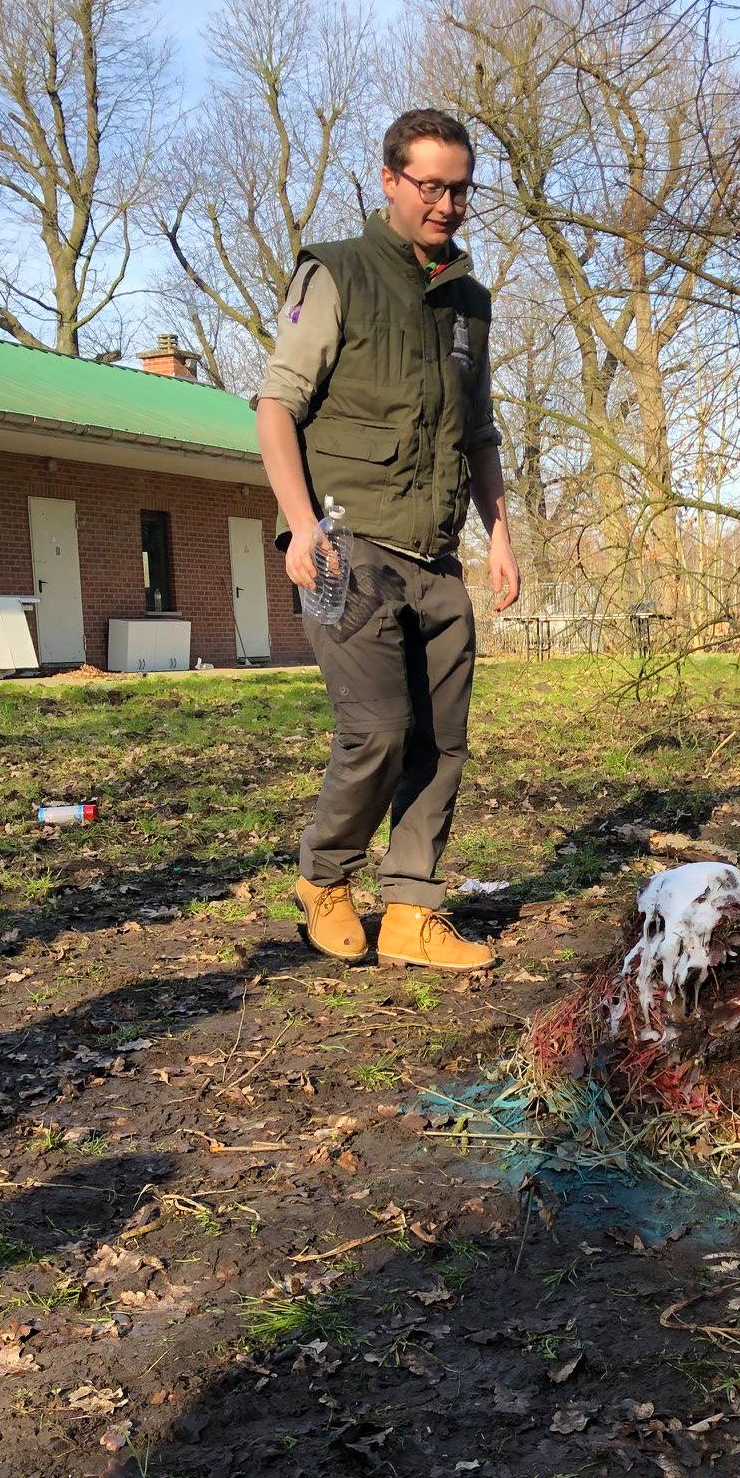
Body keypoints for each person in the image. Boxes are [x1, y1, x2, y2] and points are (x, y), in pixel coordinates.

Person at [256, 109, 520, 971]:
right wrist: (300, 528)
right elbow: (276, 406)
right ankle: (325, 879)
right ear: (389, 180)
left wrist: (500, 539)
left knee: (442, 740)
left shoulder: (468, 301)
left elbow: (479, 431)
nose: (447, 204)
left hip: (436, 554)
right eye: (431, 185)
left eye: (460, 188)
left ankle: (410, 910)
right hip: (348, 543)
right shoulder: (336, 272)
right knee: (376, 731)